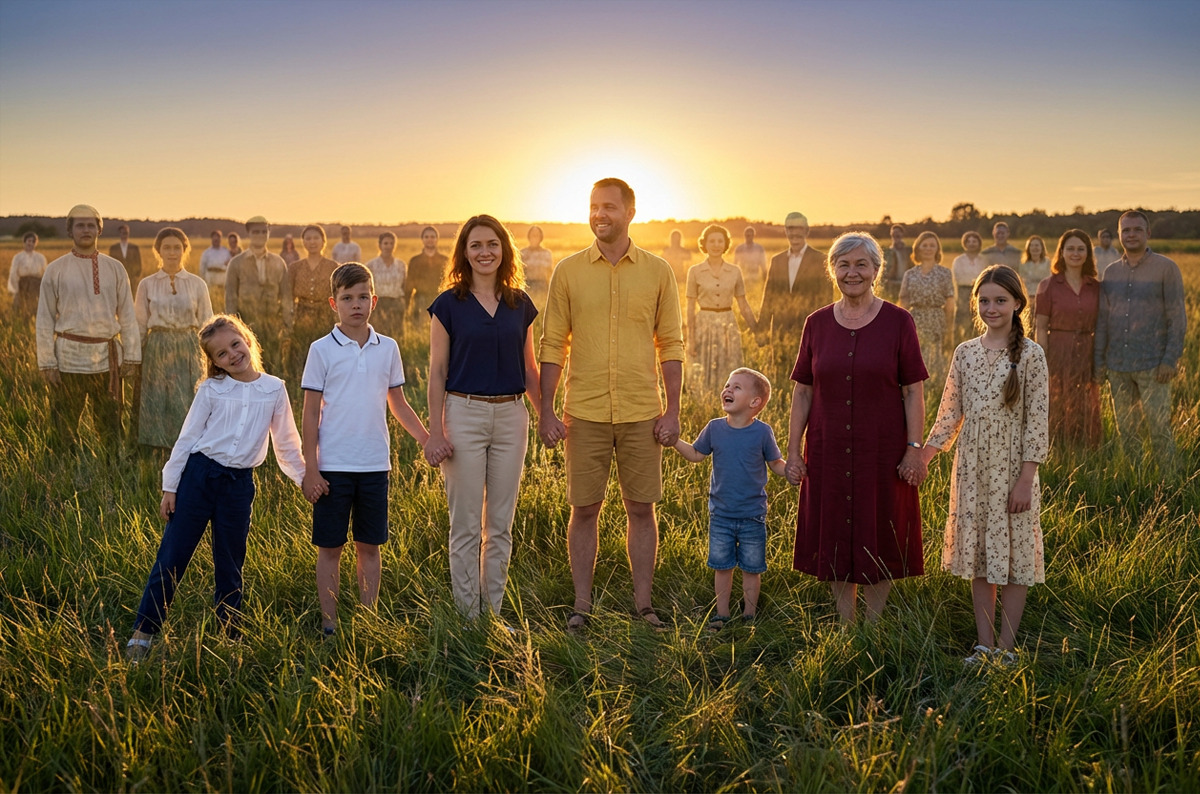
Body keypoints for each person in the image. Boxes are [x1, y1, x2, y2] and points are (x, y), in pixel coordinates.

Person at [539, 177, 684, 632]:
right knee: (584, 509)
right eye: (593, 207)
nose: (600, 214)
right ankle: (582, 606)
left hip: (643, 411)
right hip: (583, 411)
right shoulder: (568, 271)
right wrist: (545, 409)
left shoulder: (658, 271)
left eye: (609, 207)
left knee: (642, 509)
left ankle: (644, 606)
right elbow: (551, 345)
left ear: (630, 212)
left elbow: (672, 345)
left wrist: (674, 410)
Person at [124, 315, 308, 662]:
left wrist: (305, 480)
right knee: (173, 555)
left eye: (235, 344)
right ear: (214, 362)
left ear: (248, 339)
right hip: (198, 477)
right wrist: (170, 486)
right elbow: (188, 438)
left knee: (230, 562)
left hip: (238, 486)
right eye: (221, 354)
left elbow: (286, 446)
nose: (232, 355)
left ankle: (229, 634)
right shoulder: (211, 389)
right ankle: (143, 633)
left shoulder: (274, 388)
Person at [785, 232, 928, 623]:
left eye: (861, 264)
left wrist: (915, 448)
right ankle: (846, 621)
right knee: (833, 527)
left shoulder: (899, 321)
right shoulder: (815, 324)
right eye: (844, 265)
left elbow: (913, 391)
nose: (853, 273)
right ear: (832, 271)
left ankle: (873, 623)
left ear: (876, 270)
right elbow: (802, 393)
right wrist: (793, 450)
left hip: (881, 449)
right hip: (827, 447)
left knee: (880, 525)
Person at [921, 265, 1049, 666]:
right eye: (984, 301)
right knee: (978, 555)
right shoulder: (965, 352)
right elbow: (950, 413)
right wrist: (923, 454)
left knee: (1013, 558)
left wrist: (1026, 479)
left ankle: (1008, 650)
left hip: (1013, 471)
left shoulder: (1031, 355)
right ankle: (984, 644)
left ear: (1016, 304)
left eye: (1000, 300)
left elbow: (1037, 421)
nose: (991, 308)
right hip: (972, 467)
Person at [302, 263, 432, 636]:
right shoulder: (321, 350)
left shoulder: (387, 348)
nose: (355, 305)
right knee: (330, 548)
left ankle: (368, 621)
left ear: (374, 300)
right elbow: (310, 414)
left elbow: (399, 403)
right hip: (332, 467)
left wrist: (426, 439)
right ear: (333, 303)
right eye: (347, 298)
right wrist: (311, 469)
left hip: (375, 465)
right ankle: (329, 623)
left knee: (369, 546)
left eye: (362, 297)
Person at [425, 215, 540, 621]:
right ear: (464, 253)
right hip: (463, 414)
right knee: (467, 525)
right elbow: (437, 371)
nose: (485, 252)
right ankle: (467, 618)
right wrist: (435, 432)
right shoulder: (448, 305)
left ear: (504, 249)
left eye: (492, 244)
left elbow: (529, 369)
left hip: (512, 416)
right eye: (476, 245)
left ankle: (491, 615)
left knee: (501, 526)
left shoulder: (519, 303)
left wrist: (545, 417)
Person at [672, 368, 787, 630]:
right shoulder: (714, 428)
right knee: (722, 567)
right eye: (727, 385)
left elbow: (776, 464)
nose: (727, 390)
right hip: (721, 515)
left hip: (752, 515)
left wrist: (793, 471)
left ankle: (749, 616)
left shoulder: (762, 432)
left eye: (736, 387)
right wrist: (673, 441)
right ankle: (721, 614)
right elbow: (696, 455)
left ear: (754, 402)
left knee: (751, 569)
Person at [37, 204, 141, 453]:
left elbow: (127, 314)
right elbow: (44, 319)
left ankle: (111, 472)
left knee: (111, 426)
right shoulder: (55, 269)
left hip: (107, 359)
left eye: (90, 225)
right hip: (68, 359)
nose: (86, 229)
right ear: (70, 231)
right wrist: (46, 362)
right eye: (80, 225)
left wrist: (133, 356)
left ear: (99, 229)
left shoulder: (115, 268)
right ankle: (63, 474)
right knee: (64, 426)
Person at [1094, 211, 1186, 472]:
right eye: (1125, 230)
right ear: (1119, 235)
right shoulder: (1110, 273)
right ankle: (1137, 481)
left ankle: (1170, 484)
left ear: (1148, 233)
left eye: (1136, 229)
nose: (1131, 234)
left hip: (1154, 366)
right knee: (1127, 431)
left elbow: (1177, 318)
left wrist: (1170, 359)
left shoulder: (1166, 268)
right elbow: (1102, 321)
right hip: (1117, 366)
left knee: (1159, 429)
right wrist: (1099, 362)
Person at [134, 227, 213, 451]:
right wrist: (134, 357)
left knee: (186, 398)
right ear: (158, 251)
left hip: (188, 346)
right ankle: (157, 448)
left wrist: (211, 358)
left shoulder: (197, 284)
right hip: (157, 346)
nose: (172, 252)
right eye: (166, 247)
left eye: (177, 247)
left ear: (184, 250)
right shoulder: (147, 284)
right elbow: (140, 324)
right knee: (158, 397)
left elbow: (207, 322)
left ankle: (188, 446)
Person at [1035, 230, 1101, 450]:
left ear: (1088, 253)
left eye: (1081, 249)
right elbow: (1041, 327)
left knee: (1086, 399)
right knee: (1058, 399)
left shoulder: (1096, 286)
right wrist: (1043, 358)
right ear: (1061, 253)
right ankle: (1058, 447)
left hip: (1088, 349)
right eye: (1070, 248)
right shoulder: (1048, 285)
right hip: (1059, 349)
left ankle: (1086, 448)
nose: (1075, 253)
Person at [758, 211, 829, 385]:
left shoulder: (820, 260)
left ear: (806, 230)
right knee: (781, 373)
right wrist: (762, 329)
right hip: (780, 326)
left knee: (809, 375)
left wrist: (824, 331)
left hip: (808, 328)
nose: (794, 232)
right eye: (790, 228)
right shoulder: (777, 260)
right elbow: (769, 296)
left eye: (799, 228)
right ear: (786, 231)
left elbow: (825, 298)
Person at [684, 224, 758, 391]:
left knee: (729, 369)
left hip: (728, 325)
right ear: (705, 244)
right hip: (704, 323)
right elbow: (689, 308)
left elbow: (743, 304)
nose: (716, 245)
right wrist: (691, 339)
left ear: (725, 244)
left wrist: (756, 329)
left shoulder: (734, 271)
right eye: (712, 241)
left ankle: (728, 405)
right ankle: (704, 407)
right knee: (702, 369)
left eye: (720, 241)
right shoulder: (695, 271)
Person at [224, 215, 292, 374]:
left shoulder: (278, 262)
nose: (260, 235)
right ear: (249, 234)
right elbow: (231, 298)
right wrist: (233, 329)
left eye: (264, 231)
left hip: (273, 326)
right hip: (247, 326)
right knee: (248, 370)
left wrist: (287, 324)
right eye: (256, 232)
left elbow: (286, 297)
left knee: (274, 368)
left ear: (268, 233)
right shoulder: (236, 263)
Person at [899, 231, 956, 382]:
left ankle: (934, 391)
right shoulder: (909, 274)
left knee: (936, 358)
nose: (928, 248)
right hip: (915, 319)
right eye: (924, 245)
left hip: (937, 319)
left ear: (937, 249)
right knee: (915, 358)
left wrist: (949, 328)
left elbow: (950, 302)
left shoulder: (945, 273)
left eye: (932, 245)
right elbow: (903, 301)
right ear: (917, 248)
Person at [288, 224, 338, 381]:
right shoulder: (295, 267)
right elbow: (288, 295)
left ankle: (326, 380)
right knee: (301, 348)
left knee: (325, 350)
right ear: (303, 242)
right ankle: (300, 381)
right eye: (308, 238)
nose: (312, 242)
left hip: (325, 313)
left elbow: (339, 294)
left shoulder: (333, 267)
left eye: (316, 238)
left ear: (323, 241)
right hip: (301, 313)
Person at [365, 231, 407, 340]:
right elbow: (367, 287)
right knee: (379, 335)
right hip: (378, 304)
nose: (388, 246)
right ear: (379, 245)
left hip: (396, 303)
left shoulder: (401, 265)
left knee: (397, 335)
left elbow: (404, 285)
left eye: (391, 243)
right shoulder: (371, 265)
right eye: (386, 243)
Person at [951, 231, 988, 342]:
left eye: (974, 241)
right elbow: (958, 277)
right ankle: (957, 343)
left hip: (980, 291)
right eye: (969, 241)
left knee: (977, 317)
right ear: (965, 243)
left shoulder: (983, 260)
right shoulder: (959, 260)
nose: (971, 244)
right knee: (962, 318)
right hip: (963, 291)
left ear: (978, 243)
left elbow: (986, 275)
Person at [406, 225, 449, 322]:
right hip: (420, 301)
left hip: (440, 300)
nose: (430, 239)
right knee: (420, 331)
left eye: (433, 237)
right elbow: (409, 284)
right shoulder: (415, 261)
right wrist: (407, 305)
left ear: (437, 239)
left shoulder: (445, 260)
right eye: (426, 237)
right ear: (422, 239)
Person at [8, 231, 47, 321]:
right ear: (24, 242)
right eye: (29, 241)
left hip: (36, 287)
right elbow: (13, 273)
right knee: (20, 310)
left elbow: (45, 274)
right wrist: (16, 290)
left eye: (34, 241)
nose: (31, 243)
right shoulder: (17, 257)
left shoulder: (40, 257)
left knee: (35, 310)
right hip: (23, 286)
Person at [518, 224, 554, 302]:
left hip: (543, 287)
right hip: (527, 287)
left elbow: (550, 273)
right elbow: (519, 274)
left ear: (541, 237)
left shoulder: (547, 253)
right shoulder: (522, 253)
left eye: (537, 235)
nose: (535, 237)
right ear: (529, 237)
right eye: (533, 235)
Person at [199, 230, 232, 311]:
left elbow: (230, 264)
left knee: (222, 298)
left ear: (221, 239)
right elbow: (202, 267)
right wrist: (203, 279)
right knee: (211, 299)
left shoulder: (226, 251)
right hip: (210, 277)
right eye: (215, 239)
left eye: (218, 239)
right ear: (212, 240)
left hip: (222, 277)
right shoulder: (206, 252)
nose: (216, 241)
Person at [1020, 235, 1052, 316]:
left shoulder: (1048, 263)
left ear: (1042, 248)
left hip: (1044, 299)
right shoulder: (1023, 264)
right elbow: (1023, 283)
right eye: (1032, 245)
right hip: (1028, 300)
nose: (1035, 248)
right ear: (1028, 248)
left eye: (1037, 245)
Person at [109, 223, 143, 292]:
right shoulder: (113, 248)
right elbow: (111, 264)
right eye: (123, 233)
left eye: (126, 233)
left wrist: (136, 276)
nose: (125, 235)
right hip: (118, 278)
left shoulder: (135, 248)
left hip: (132, 279)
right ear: (120, 234)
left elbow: (138, 263)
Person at [881, 224, 911, 302]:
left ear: (902, 234)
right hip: (893, 285)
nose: (896, 234)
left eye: (898, 232)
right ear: (891, 235)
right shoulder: (888, 252)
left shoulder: (908, 251)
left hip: (906, 284)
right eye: (894, 233)